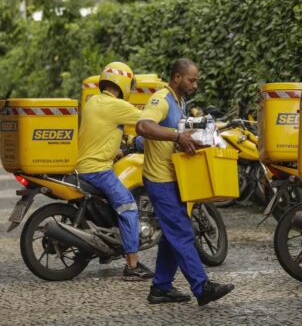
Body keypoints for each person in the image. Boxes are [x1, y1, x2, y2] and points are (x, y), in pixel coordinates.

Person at [136, 58, 234, 305]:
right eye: (192, 79)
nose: (196, 84)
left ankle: (161, 287)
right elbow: (143, 126)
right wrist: (178, 136)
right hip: (159, 179)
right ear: (177, 78)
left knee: (172, 234)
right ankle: (202, 288)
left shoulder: (180, 103)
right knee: (181, 231)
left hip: (174, 177)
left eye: (197, 79)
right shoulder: (161, 99)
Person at [76, 61, 154, 280]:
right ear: (124, 83)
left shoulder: (93, 102)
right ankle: (132, 266)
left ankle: (107, 248)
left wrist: (117, 149)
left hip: (83, 165)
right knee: (129, 207)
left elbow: (102, 132)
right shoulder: (116, 106)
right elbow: (148, 122)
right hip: (98, 169)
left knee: (116, 203)